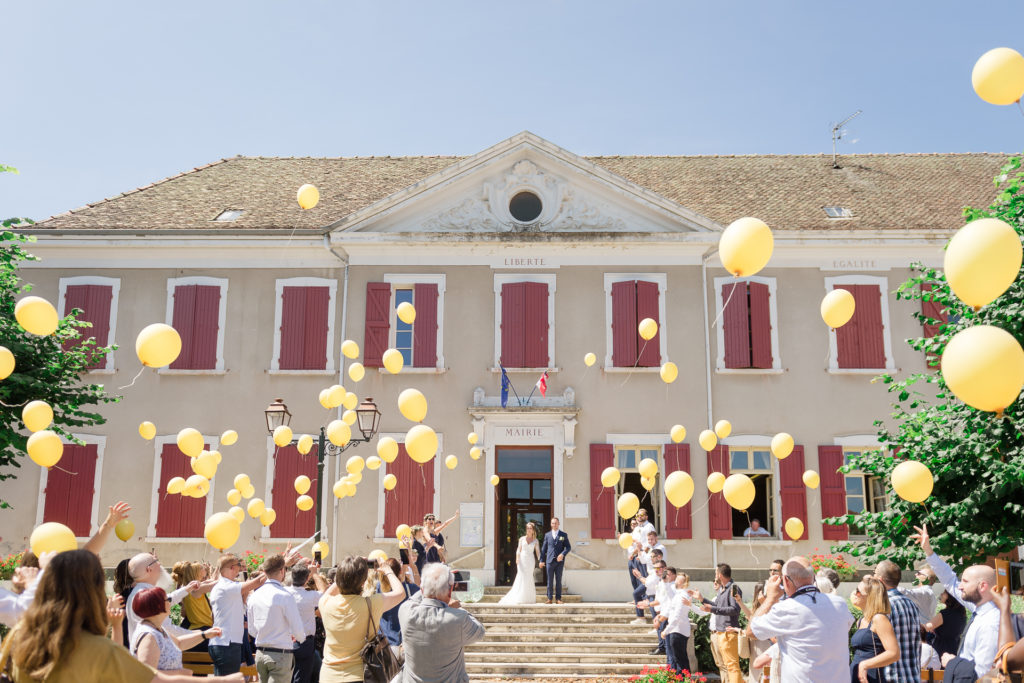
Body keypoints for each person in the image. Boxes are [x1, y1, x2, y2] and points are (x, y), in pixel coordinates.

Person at [6, 549, 243, 683]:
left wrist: (39, 580)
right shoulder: (95, 647)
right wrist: (221, 680)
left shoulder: (22, 640)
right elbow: (156, 678)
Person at [746, 557, 854, 683]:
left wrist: (770, 598)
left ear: (785, 580)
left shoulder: (786, 608)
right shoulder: (840, 604)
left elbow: (750, 632)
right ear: (813, 577)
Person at [913, 523, 1000, 679]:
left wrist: (954, 662)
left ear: (982, 586)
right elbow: (949, 580)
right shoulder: (978, 609)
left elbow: (984, 672)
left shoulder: (991, 621)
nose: (959, 586)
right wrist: (928, 550)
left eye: (965, 582)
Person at [319, 555, 405, 682]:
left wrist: (347, 572)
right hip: (359, 676)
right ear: (363, 583)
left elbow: (329, 592)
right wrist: (388, 571)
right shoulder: (371, 604)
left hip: (328, 676)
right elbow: (400, 593)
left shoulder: (325, 602)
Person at [395, 563, 485, 683]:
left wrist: (431, 582)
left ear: (422, 589)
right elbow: (480, 632)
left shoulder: (405, 611)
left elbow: (416, 597)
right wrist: (457, 608)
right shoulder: (458, 618)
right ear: (450, 591)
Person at [132, 586, 224, 674]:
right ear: (157, 606)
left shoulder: (157, 629)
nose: (170, 602)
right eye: (168, 600)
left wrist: (205, 634)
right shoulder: (149, 636)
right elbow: (146, 675)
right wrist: (179, 673)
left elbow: (179, 643)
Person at [248, 554, 306, 683]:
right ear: (282, 571)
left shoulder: (254, 596)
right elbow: (297, 627)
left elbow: (252, 630)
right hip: (280, 653)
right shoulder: (285, 595)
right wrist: (300, 637)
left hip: (260, 652)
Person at [209, 553, 266, 676]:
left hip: (225, 642)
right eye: (239, 565)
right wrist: (275, 567)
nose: (240, 569)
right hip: (226, 643)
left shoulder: (221, 586)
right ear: (231, 567)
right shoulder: (226, 586)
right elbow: (258, 581)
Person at [126, 552, 202, 644]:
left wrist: (187, 589)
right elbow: (166, 628)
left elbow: (167, 599)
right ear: (149, 569)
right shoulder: (145, 595)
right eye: (156, 561)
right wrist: (200, 634)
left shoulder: (141, 592)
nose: (160, 564)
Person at [872, 559, 921, 683]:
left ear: (880, 580)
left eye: (874, 573)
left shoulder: (884, 606)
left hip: (891, 676)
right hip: (912, 675)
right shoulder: (911, 603)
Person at [848, 577, 900, 683]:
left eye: (858, 591)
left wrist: (865, 664)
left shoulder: (879, 619)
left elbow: (894, 653)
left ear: (870, 597)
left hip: (873, 677)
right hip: (859, 676)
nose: (854, 594)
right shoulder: (861, 620)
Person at [700, 563, 743, 683]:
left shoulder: (733, 588)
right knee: (728, 666)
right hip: (722, 633)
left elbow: (735, 609)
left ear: (719, 574)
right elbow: (717, 606)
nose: (715, 575)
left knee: (732, 666)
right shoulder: (722, 589)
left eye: (715, 573)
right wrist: (702, 599)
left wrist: (712, 609)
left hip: (728, 632)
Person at [287, 560, 328, 683]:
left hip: (285, 640)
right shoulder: (310, 596)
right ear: (306, 580)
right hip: (305, 642)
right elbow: (326, 594)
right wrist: (314, 573)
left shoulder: (284, 592)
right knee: (302, 678)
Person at [377, 557, 420, 661]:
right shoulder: (410, 588)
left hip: (383, 644)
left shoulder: (379, 588)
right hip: (403, 644)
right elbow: (423, 591)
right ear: (400, 571)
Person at [170, 561, 217, 649]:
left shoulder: (189, 588)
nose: (204, 568)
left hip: (196, 628)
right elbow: (215, 584)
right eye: (201, 568)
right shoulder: (196, 589)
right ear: (197, 573)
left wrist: (218, 567)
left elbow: (212, 581)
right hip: (202, 628)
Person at [663, 572, 701, 675]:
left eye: (676, 579)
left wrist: (666, 630)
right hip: (677, 630)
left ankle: (683, 680)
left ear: (680, 582)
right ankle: (683, 679)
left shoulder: (681, 596)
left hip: (677, 631)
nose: (674, 580)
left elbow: (677, 616)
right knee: (680, 660)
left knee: (680, 661)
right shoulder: (679, 594)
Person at [499, 520, 540, 605]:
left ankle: (528, 598)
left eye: (530, 528)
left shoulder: (536, 541)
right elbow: (518, 550)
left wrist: (541, 560)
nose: (529, 529)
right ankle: (519, 596)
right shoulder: (522, 539)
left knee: (528, 577)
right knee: (521, 576)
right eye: (527, 528)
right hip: (522, 560)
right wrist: (517, 559)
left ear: (533, 530)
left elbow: (538, 552)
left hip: (530, 561)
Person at [925, 589, 967, 658]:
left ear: (950, 596)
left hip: (941, 649)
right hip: (955, 648)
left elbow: (926, 627)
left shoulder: (945, 614)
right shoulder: (962, 614)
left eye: (944, 593)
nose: (941, 594)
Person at [538, 517, 571, 605]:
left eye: (556, 523)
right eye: (553, 523)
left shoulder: (563, 535)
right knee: (549, 581)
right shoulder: (547, 535)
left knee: (558, 580)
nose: (554, 525)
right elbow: (544, 549)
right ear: (551, 524)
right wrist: (541, 560)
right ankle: (549, 598)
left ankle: (558, 599)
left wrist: (562, 554)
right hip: (549, 561)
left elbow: (568, 547)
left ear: (558, 524)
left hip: (559, 562)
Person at [648, 566, 677, 654]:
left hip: (667, 614)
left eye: (667, 574)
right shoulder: (663, 583)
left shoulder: (673, 586)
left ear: (673, 575)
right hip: (661, 611)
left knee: (668, 644)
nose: (665, 576)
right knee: (661, 632)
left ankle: (662, 648)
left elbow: (670, 603)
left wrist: (661, 617)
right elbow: (662, 599)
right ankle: (662, 647)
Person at [631, 549, 664, 624]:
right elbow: (643, 561)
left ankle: (657, 625)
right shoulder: (653, 564)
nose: (650, 558)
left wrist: (639, 576)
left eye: (652, 556)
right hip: (649, 583)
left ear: (659, 557)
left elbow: (652, 581)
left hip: (654, 588)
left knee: (654, 607)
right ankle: (641, 617)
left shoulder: (660, 566)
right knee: (636, 594)